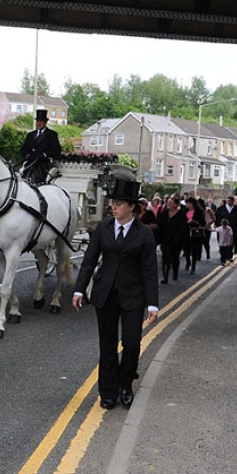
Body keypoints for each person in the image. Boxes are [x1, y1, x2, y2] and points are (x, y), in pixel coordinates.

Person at [72, 175, 159, 410]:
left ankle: (125, 385)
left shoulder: (144, 234)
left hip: (133, 295)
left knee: (131, 343)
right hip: (106, 293)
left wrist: (153, 304)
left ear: (131, 206)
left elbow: (150, 270)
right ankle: (108, 392)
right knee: (107, 346)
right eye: (113, 203)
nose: (114, 207)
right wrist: (79, 289)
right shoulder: (103, 228)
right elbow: (89, 261)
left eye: (119, 204)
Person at [20, 109, 61, 184]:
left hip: (42, 163)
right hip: (30, 161)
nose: (39, 123)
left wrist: (45, 154)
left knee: (36, 173)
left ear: (45, 122)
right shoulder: (31, 135)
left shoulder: (52, 135)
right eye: (38, 121)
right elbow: (23, 148)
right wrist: (27, 155)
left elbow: (57, 150)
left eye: (41, 122)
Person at [157, 195, 188, 284]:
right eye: (168, 203)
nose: (168, 204)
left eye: (170, 203)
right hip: (165, 240)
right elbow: (160, 224)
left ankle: (175, 273)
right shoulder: (164, 213)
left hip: (176, 241)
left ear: (175, 204)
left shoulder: (181, 214)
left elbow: (183, 228)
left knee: (175, 258)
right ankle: (165, 277)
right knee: (165, 258)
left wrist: (178, 237)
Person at [185, 197, 206, 274]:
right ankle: (188, 262)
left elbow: (203, 223)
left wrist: (195, 221)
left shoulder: (199, 211)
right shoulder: (184, 210)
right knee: (186, 249)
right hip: (186, 232)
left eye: (188, 203)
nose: (187, 204)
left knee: (194, 250)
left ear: (192, 204)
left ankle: (193, 266)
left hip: (195, 233)